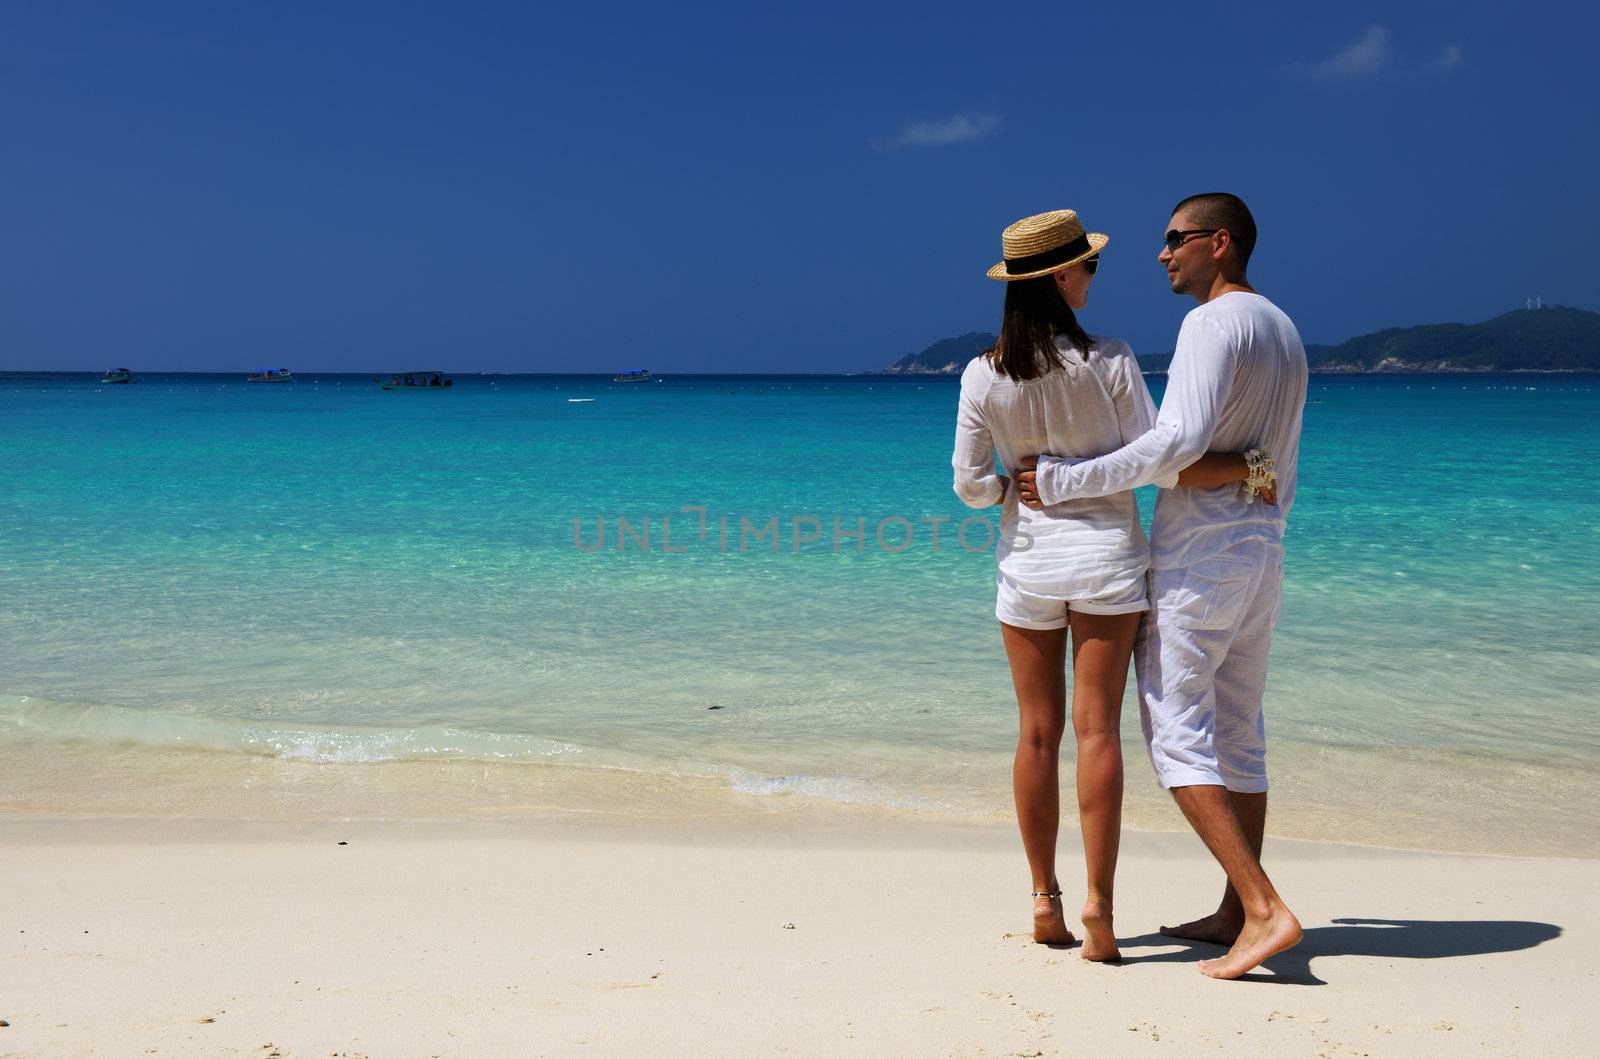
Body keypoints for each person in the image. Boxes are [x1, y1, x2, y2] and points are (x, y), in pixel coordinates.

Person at [953, 209, 1262, 962]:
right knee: (1098, 732)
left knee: (1035, 733)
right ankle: (1099, 906)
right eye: (1087, 265)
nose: (1095, 276)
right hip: (1110, 567)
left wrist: (1009, 491)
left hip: (1028, 566)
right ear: (1060, 277)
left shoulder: (981, 373)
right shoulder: (1114, 360)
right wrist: (1246, 470)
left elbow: (966, 484)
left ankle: (1043, 899)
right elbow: (1156, 456)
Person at [1015, 193, 1308, 979]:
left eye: (1175, 239)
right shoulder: (1281, 326)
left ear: (1220, 242)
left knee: (1177, 733)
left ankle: (1262, 906)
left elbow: (1171, 447)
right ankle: (1230, 907)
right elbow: (1264, 457)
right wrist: (1244, 471)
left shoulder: (1211, 323)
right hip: (1262, 551)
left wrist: (1067, 479)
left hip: (1202, 557)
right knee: (1239, 730)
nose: (1160, 254)